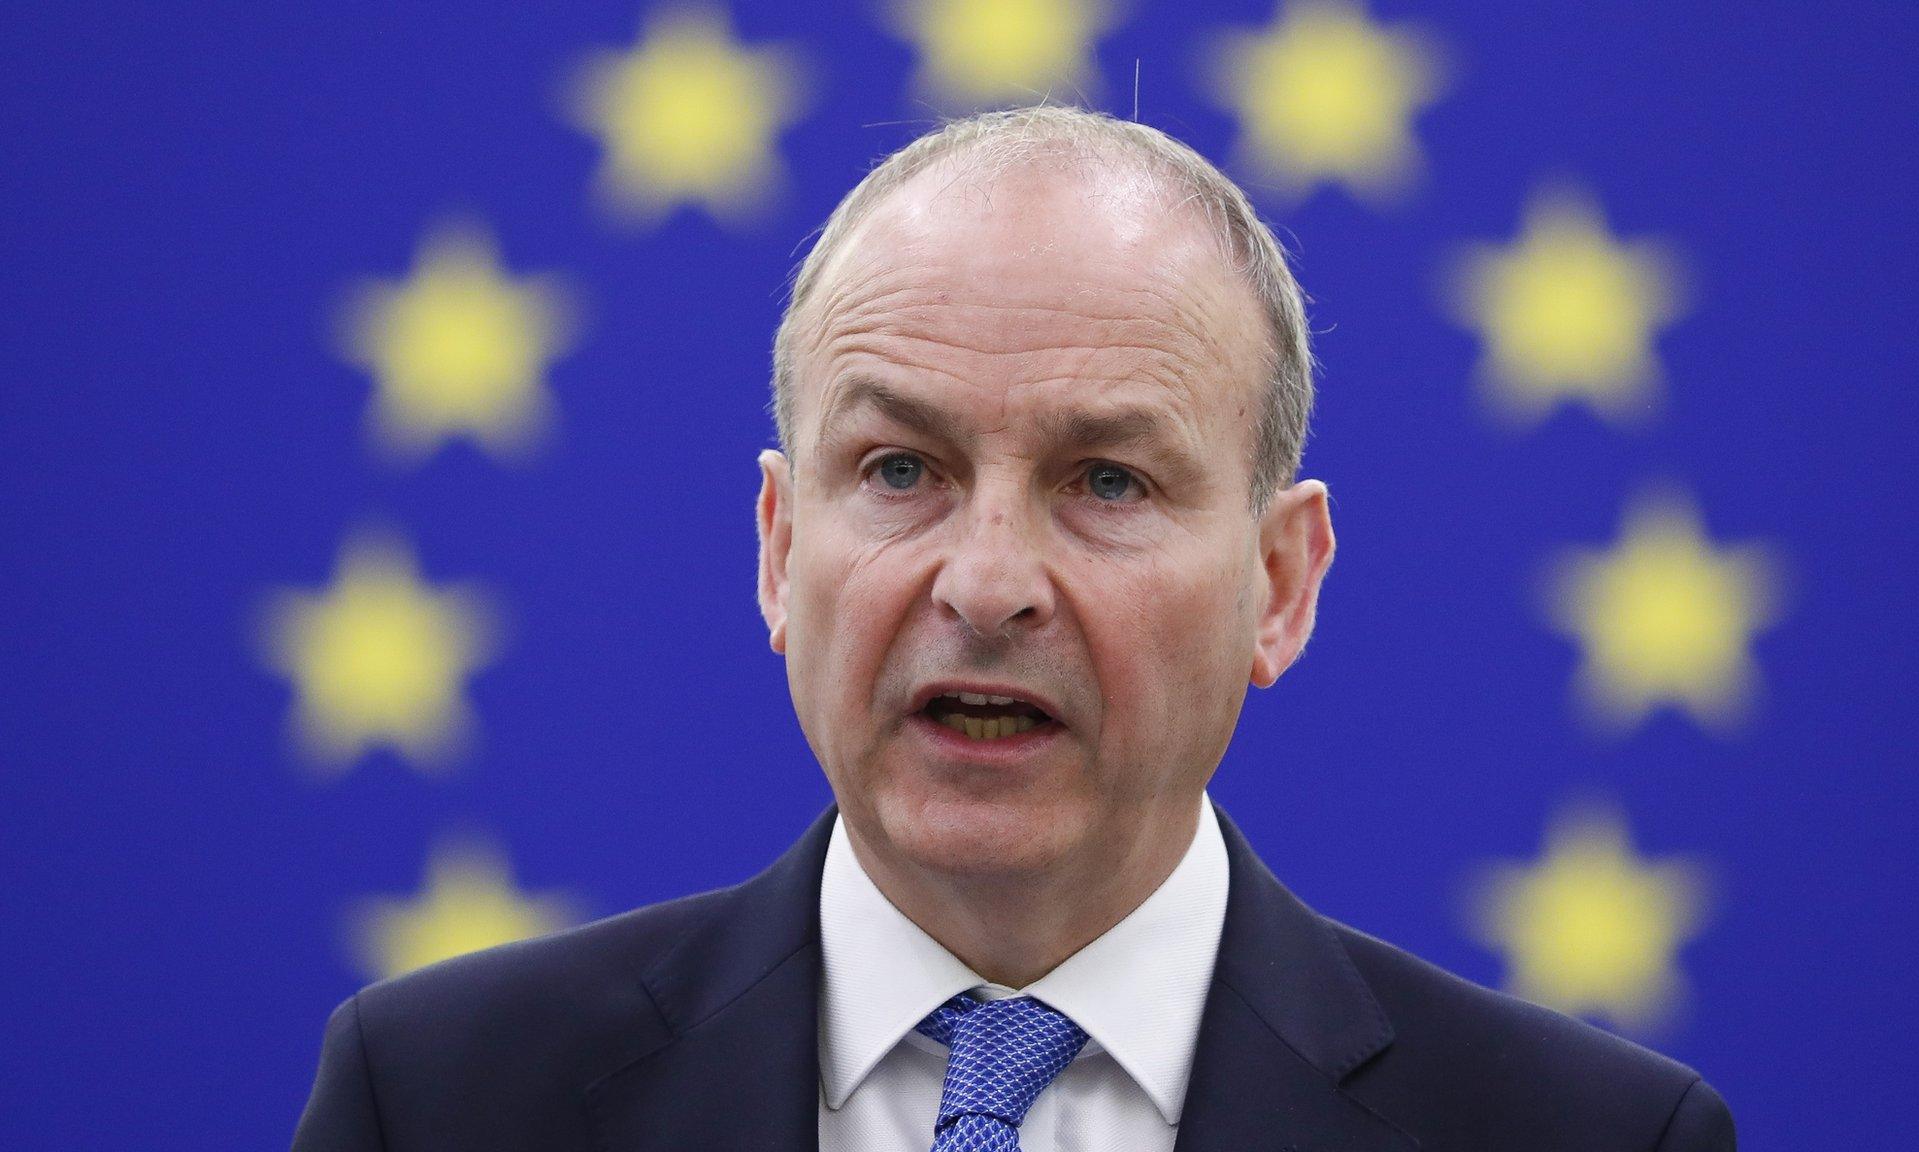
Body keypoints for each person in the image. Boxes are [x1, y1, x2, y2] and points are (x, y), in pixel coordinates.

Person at [292, 107, 1736, 1152]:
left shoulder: (1594, 1139)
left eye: (1107, 480)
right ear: (781, 549)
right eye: (901, 470)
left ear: (1281, 586)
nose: (986, 585)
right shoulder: (438, 1102)